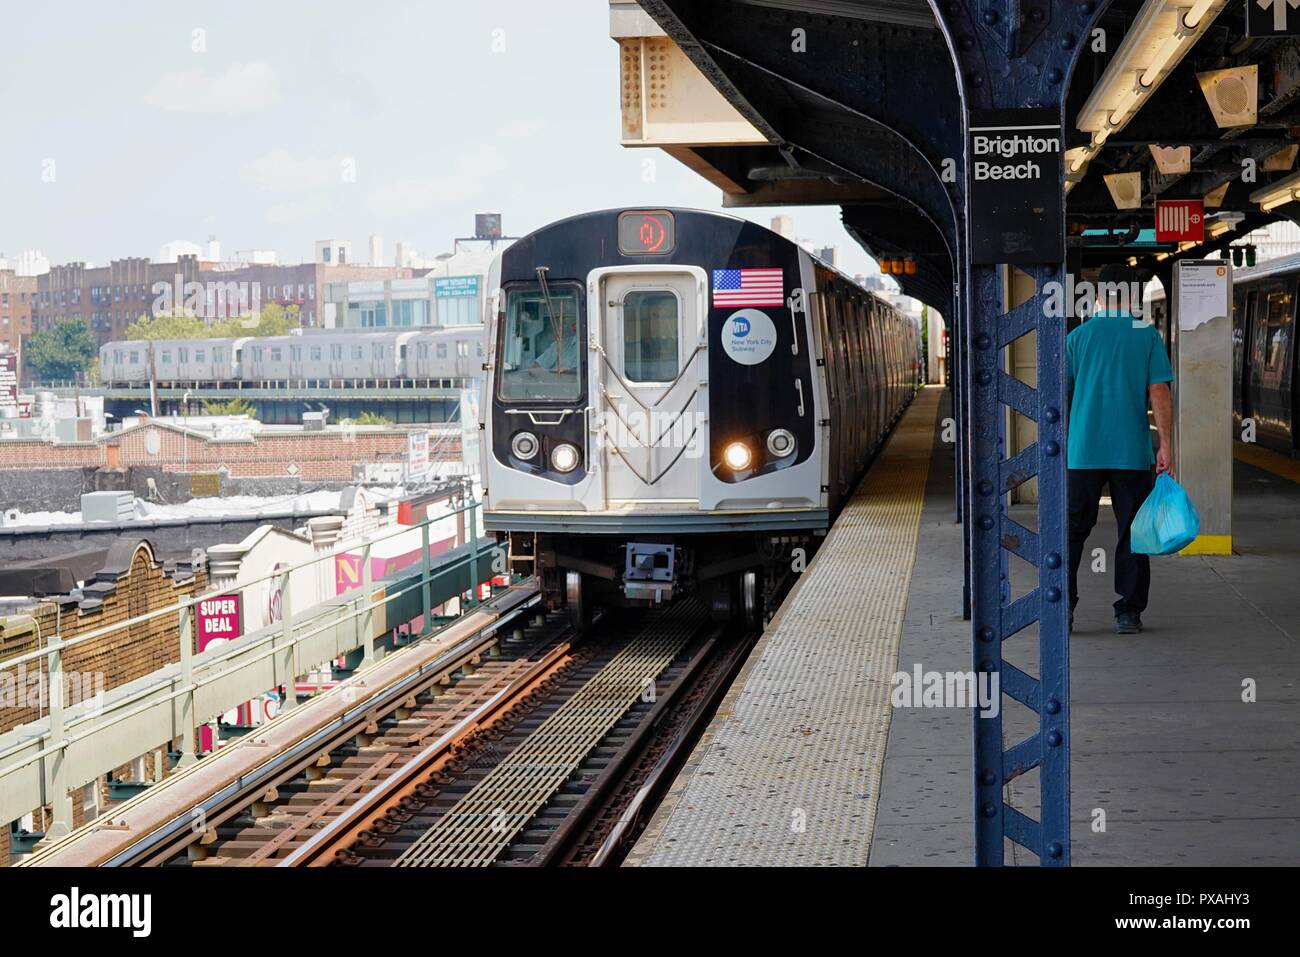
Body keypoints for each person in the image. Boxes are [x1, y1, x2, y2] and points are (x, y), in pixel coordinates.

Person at [1066, 263, 1174, 635]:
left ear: (1098, 296)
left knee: (1072, 531)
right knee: (1133, 530)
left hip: (1082, 452)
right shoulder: (1146, 336)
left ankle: (1062, 606)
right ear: (1133, 298)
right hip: (1131, 451)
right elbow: (1159, 391)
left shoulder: (1077, 338)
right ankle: (1128, 611)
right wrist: (1165, 446)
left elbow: (1060, 397)